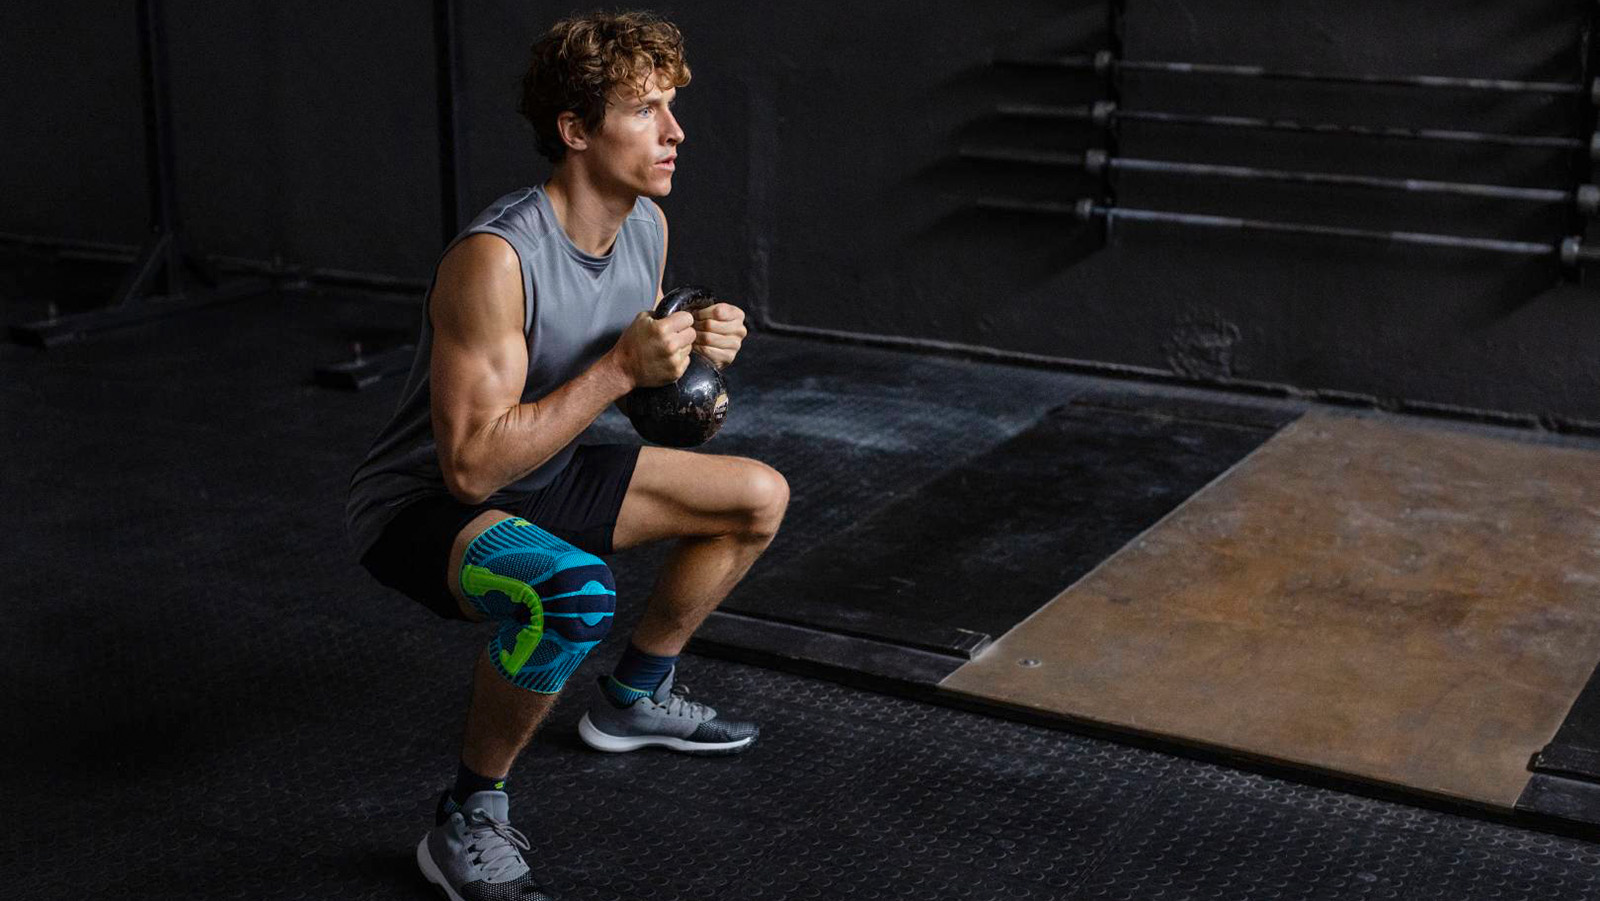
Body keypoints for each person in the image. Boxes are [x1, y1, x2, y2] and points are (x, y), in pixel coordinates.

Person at [344, 11, 788, 899]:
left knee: (757, 495)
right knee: (573, 591)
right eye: (644, 110)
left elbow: (652, 414)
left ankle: (631, 698)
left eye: (672, 106)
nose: (675, 131)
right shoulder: (496, 258)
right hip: (426, 505)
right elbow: (470, 468)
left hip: (543, 470)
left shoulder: (646, 231)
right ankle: (468, 813)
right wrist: (627, 363)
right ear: (575, 131)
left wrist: (694, 354)